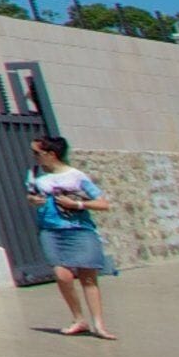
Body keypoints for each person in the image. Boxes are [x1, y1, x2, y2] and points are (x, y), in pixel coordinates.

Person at [26, 136, 114, 338]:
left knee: (88, 278)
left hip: (79, 229)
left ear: (51, 154)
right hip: (51, 230)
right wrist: (33, 200)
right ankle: (78, 318)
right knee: (62, 275)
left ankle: (98, 324)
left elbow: (103, 203)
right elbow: (31, 195)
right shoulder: (34, 174)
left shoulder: (76, 176)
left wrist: (77, 205)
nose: (34, 157)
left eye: (37, 153)